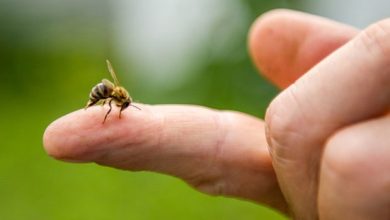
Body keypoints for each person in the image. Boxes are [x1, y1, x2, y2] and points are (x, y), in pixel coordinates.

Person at [43, 9, 390, 220]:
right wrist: (106, 110)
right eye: (120, 105)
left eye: (119, 105)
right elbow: (110, 97)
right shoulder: (114, 97)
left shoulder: (120, 99)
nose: (120, 107)